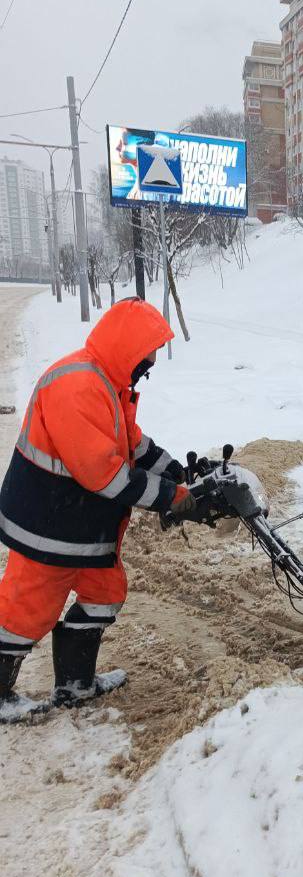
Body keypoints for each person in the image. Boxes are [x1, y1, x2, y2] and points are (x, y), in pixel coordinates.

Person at [0, 298, 196, 722]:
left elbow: (131, 444)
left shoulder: (109, 383)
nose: (151, 364)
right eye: (147, 354)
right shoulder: (77, 386)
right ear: (127, 347)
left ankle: (75, 685)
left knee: (105, 594)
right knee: (24, 611)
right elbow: (104, 475)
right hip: (48, 525)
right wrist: (171, 498)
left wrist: (177, 472)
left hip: (83, 525)